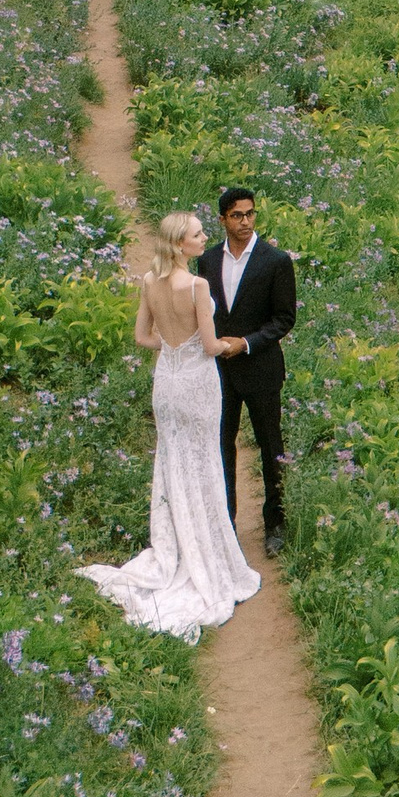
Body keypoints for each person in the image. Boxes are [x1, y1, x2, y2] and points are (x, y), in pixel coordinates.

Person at [78, 211, 261, 637]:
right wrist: (234, 344)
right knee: (204, 462)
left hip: (167, 383)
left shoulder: (149, 281)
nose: (204, 239)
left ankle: (176, 546)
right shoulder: (197, 286)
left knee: (173, 460)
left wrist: (173, 348)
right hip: (197, 382)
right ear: (181, 244)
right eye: (198, 235)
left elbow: (142, 338)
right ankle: (210, 554)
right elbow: (213, 345)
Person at [204, 183, 297, 553]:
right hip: (220, 373)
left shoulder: (274, 261)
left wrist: (246, 343)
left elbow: (284, 318)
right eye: (237, 215)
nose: (246, 221)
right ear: (223, 219)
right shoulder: (209, 260)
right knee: (221, 446)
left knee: (270, 445)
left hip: (260, 367)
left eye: (251, 213)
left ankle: (276, 524)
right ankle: (225, 524)